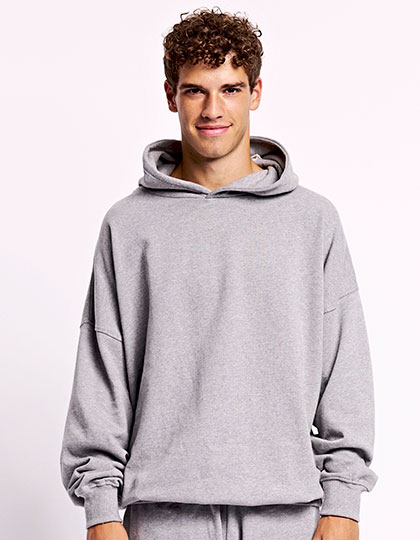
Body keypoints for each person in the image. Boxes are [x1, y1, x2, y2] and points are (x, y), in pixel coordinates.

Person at [59, 7, 378, 540]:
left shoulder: (311, 220)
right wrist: (101, 511)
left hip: (289, 515)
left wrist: (343, 503)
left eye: (230, 89)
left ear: (255, 92)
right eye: (195, 91)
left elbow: (344, 368)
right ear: (171, 95)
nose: (213, 109)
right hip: (161, 516)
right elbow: (102, 371)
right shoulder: (129, 225)